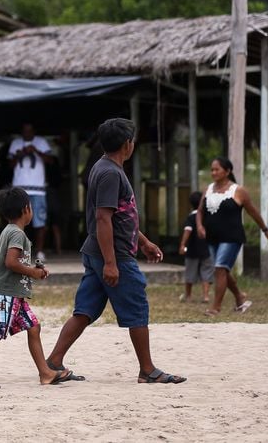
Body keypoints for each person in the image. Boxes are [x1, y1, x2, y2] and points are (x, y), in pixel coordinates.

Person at [45, 118, 186, 384]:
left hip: (100, 251)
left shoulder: (104, 167)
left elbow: (122, 217)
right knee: (137, 308)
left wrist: (143, 242)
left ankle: (53, 362)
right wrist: (111, 262)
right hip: (113, 255)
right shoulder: (110, 173)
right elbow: (103, 219)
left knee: (85, 310)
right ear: (127, 144)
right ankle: (148, 370)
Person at [0, 187, 72, 391]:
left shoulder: (10, 231)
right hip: (6, 294)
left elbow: (17, 260)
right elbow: (11, 262)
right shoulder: (16, 234)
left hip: (15, 295)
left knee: (33, 327)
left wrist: (34, 268)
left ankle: (45, 373)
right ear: (26, 209)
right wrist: (33, 272)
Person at [195, 157, 268, 316]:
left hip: (232, 237)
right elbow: (200, 211)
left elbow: (253, 212)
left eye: (217, 169)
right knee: (222, 271)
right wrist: (199, 226)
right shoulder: (208, 189)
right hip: (212, 237)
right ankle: (239, 296)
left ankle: (215, 308)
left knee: (220, 269)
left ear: (228, 171)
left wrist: (266, 231)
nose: (213, 172)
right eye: (212, 169)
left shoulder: (238, 191)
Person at [7, 123, 55, 262]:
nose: (27, 133)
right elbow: (10, 165)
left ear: (34, 131)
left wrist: (36, 151)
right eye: (24, 131)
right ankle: (18, 251)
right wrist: (19, 154)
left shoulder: (41, 142)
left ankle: (39, 251)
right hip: (19, 189)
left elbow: (50, 160)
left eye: (29, 130)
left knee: (39, 221)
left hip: (38, 189)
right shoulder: (16, 143)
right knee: (17, 221)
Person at [176, 191, 212, 304]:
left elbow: (188, 230)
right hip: (207, 249)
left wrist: (182, 244)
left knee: (190, 273)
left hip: (192, 250)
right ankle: (206, 296)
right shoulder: (208, 216)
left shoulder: (191, 217)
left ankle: (188, 296)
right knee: (206, 272)